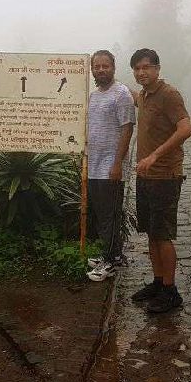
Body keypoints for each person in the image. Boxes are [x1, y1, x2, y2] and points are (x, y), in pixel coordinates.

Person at [129, 49, 191, 313]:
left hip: (165, 175)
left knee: (163, 235)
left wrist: (155, 155)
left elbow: (186, 128)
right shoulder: (144, 95)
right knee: (151, 234)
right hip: (145, 176)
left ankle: (171, 291)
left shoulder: (169, 95)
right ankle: (158, 282)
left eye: (146, 67)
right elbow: (133, 98)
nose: (141, 72)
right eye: (137, 68)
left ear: (157, 68)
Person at [85, 50, 136, 282]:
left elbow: (127, 128)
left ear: (113, 67)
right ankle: (111, 254)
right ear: (92, 69)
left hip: (111, 165)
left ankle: (111, 262)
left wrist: (118, 163)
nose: (101, 70)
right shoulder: (94, 96)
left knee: (110, 214)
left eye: (106, 66)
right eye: (97, 66)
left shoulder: (122, 94)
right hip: (94, 164)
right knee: (100, 213)